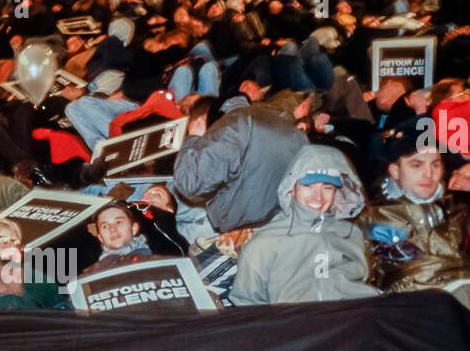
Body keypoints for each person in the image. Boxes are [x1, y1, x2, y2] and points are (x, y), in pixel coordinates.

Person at [229, 146, 379, 306]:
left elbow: (362, 281)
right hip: (295, 326)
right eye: (308, 186)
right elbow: (246, 303)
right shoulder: (265, 243)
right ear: (291, 188)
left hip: (349, 322)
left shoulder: (350, 233)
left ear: (337, 192)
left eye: (327, 187)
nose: (318, 196)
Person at [172, 95, 311, 233]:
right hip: (287, 221)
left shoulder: (229, 128)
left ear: (203, 119)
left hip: (250, 229)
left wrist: (193, 137)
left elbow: (190, 184)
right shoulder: (281, 124)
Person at [358, 138, 470, 293]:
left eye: (435, 165)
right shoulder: (373, 218)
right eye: (417, 165)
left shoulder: (462, 210)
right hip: (414, 301)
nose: (429, 174)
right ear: (395, 170)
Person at [82, 202, 154, 275]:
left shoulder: (152, 262)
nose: (112, 229)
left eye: (118, 222)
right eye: (105, 226)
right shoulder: (92, 272)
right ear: (101, 238)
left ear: (133, 229)